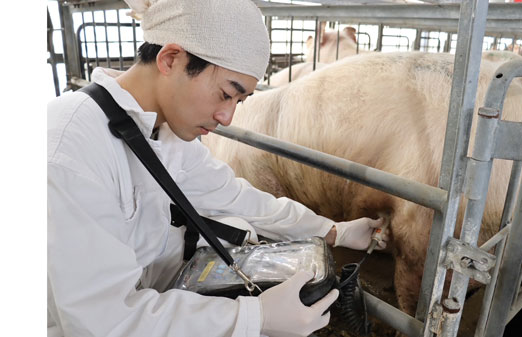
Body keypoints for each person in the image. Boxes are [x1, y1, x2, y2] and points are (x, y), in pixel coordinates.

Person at [47, 0, 389, 336]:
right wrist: (252, 317)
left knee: (239, 225)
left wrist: (335, 231)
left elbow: (238, 198)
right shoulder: (70, 149)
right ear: (170, 59)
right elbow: (104, 320)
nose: (227, 118)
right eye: (226, 93)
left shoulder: (164, 133)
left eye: (239, 102)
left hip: (156, 298)